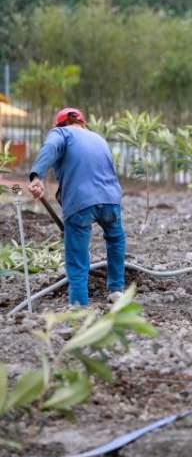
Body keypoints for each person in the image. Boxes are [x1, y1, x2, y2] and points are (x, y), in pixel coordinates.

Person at [27, 107, 125, 307]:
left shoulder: (61, 133)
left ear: (60, 124)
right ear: (83, 123)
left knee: (77, 254)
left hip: (80, 201)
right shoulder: (98, 138)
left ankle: (79, 304)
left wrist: (37, 176)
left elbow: (50, 148)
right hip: (110, 199)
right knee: (115, 241)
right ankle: (116, 290)